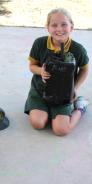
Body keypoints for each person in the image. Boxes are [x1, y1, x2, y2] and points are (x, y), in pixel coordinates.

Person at [24, 8, 89, 136]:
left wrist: (74, 89)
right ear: (47, 27)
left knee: (61, 130)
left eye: (64, 24)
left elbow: (85, 69)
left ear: (71, 27)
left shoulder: (78, 49)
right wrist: (40, 71)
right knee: (38, 123)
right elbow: (32, 66)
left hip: (64, 95)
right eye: (54, 25)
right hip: (40, 91)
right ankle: (43, 109)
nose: (59, 29)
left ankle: (80, 107)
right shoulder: (39, 43)